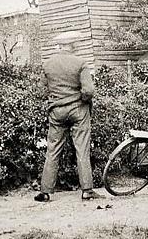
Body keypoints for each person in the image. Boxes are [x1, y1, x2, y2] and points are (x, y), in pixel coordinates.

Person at [35, 31, 102, 202]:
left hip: (56, 111)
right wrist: (82, 101)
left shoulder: (48, 64)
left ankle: (46, 191)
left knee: (52, 150)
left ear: (59, 46)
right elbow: (88, 91)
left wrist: (55, 99)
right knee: (82, 150)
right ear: (73, 46)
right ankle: (87, 190)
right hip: (78, 110)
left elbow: (41, 89)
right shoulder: (80, 63)